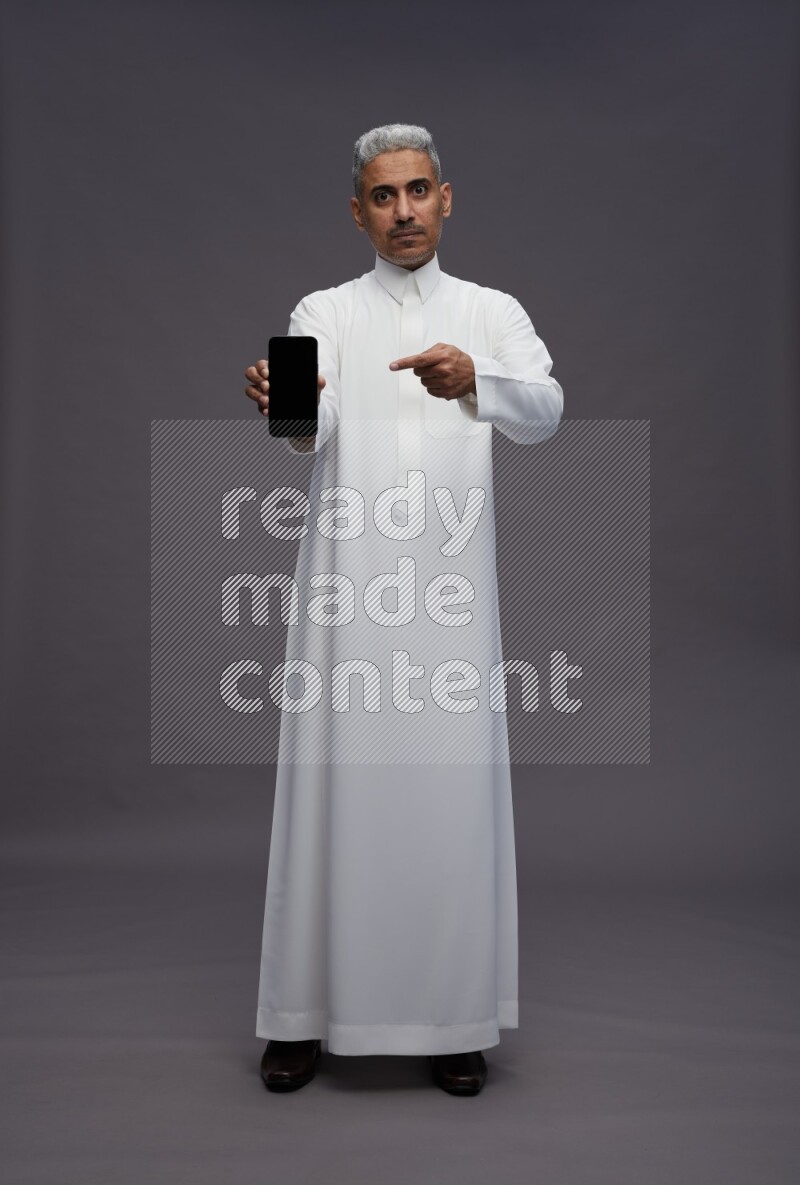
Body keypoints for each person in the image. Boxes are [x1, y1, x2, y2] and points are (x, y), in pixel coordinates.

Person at [243, 123, 564, 1095]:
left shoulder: (490, 312)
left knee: (448, 805)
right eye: (383, 196)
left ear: (445, 198)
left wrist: (478, 383)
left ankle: (450, 1018)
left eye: (417, 190)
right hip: (347, 598)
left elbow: (545, 410)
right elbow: (308, 426)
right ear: (358, 213)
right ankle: (302, 1015)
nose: (404, 211)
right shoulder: (325, 311)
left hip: (449, 603)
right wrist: (285, 402)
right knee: (328, 797)